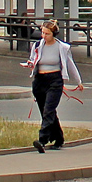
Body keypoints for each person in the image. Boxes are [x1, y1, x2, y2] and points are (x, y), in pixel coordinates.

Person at [20, 19, 83, 153]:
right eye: (42, 33)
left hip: (55, 80)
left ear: (54, 34)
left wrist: (79, 81)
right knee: (46, 111)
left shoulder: (62, 47)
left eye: (47, 34)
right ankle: (58, 138)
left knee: (49, 109)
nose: (44, 36)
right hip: (39, 80)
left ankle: (42, 140)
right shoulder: (37, 45)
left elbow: (70, 64)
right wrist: (30, 64)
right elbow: (33, 60)